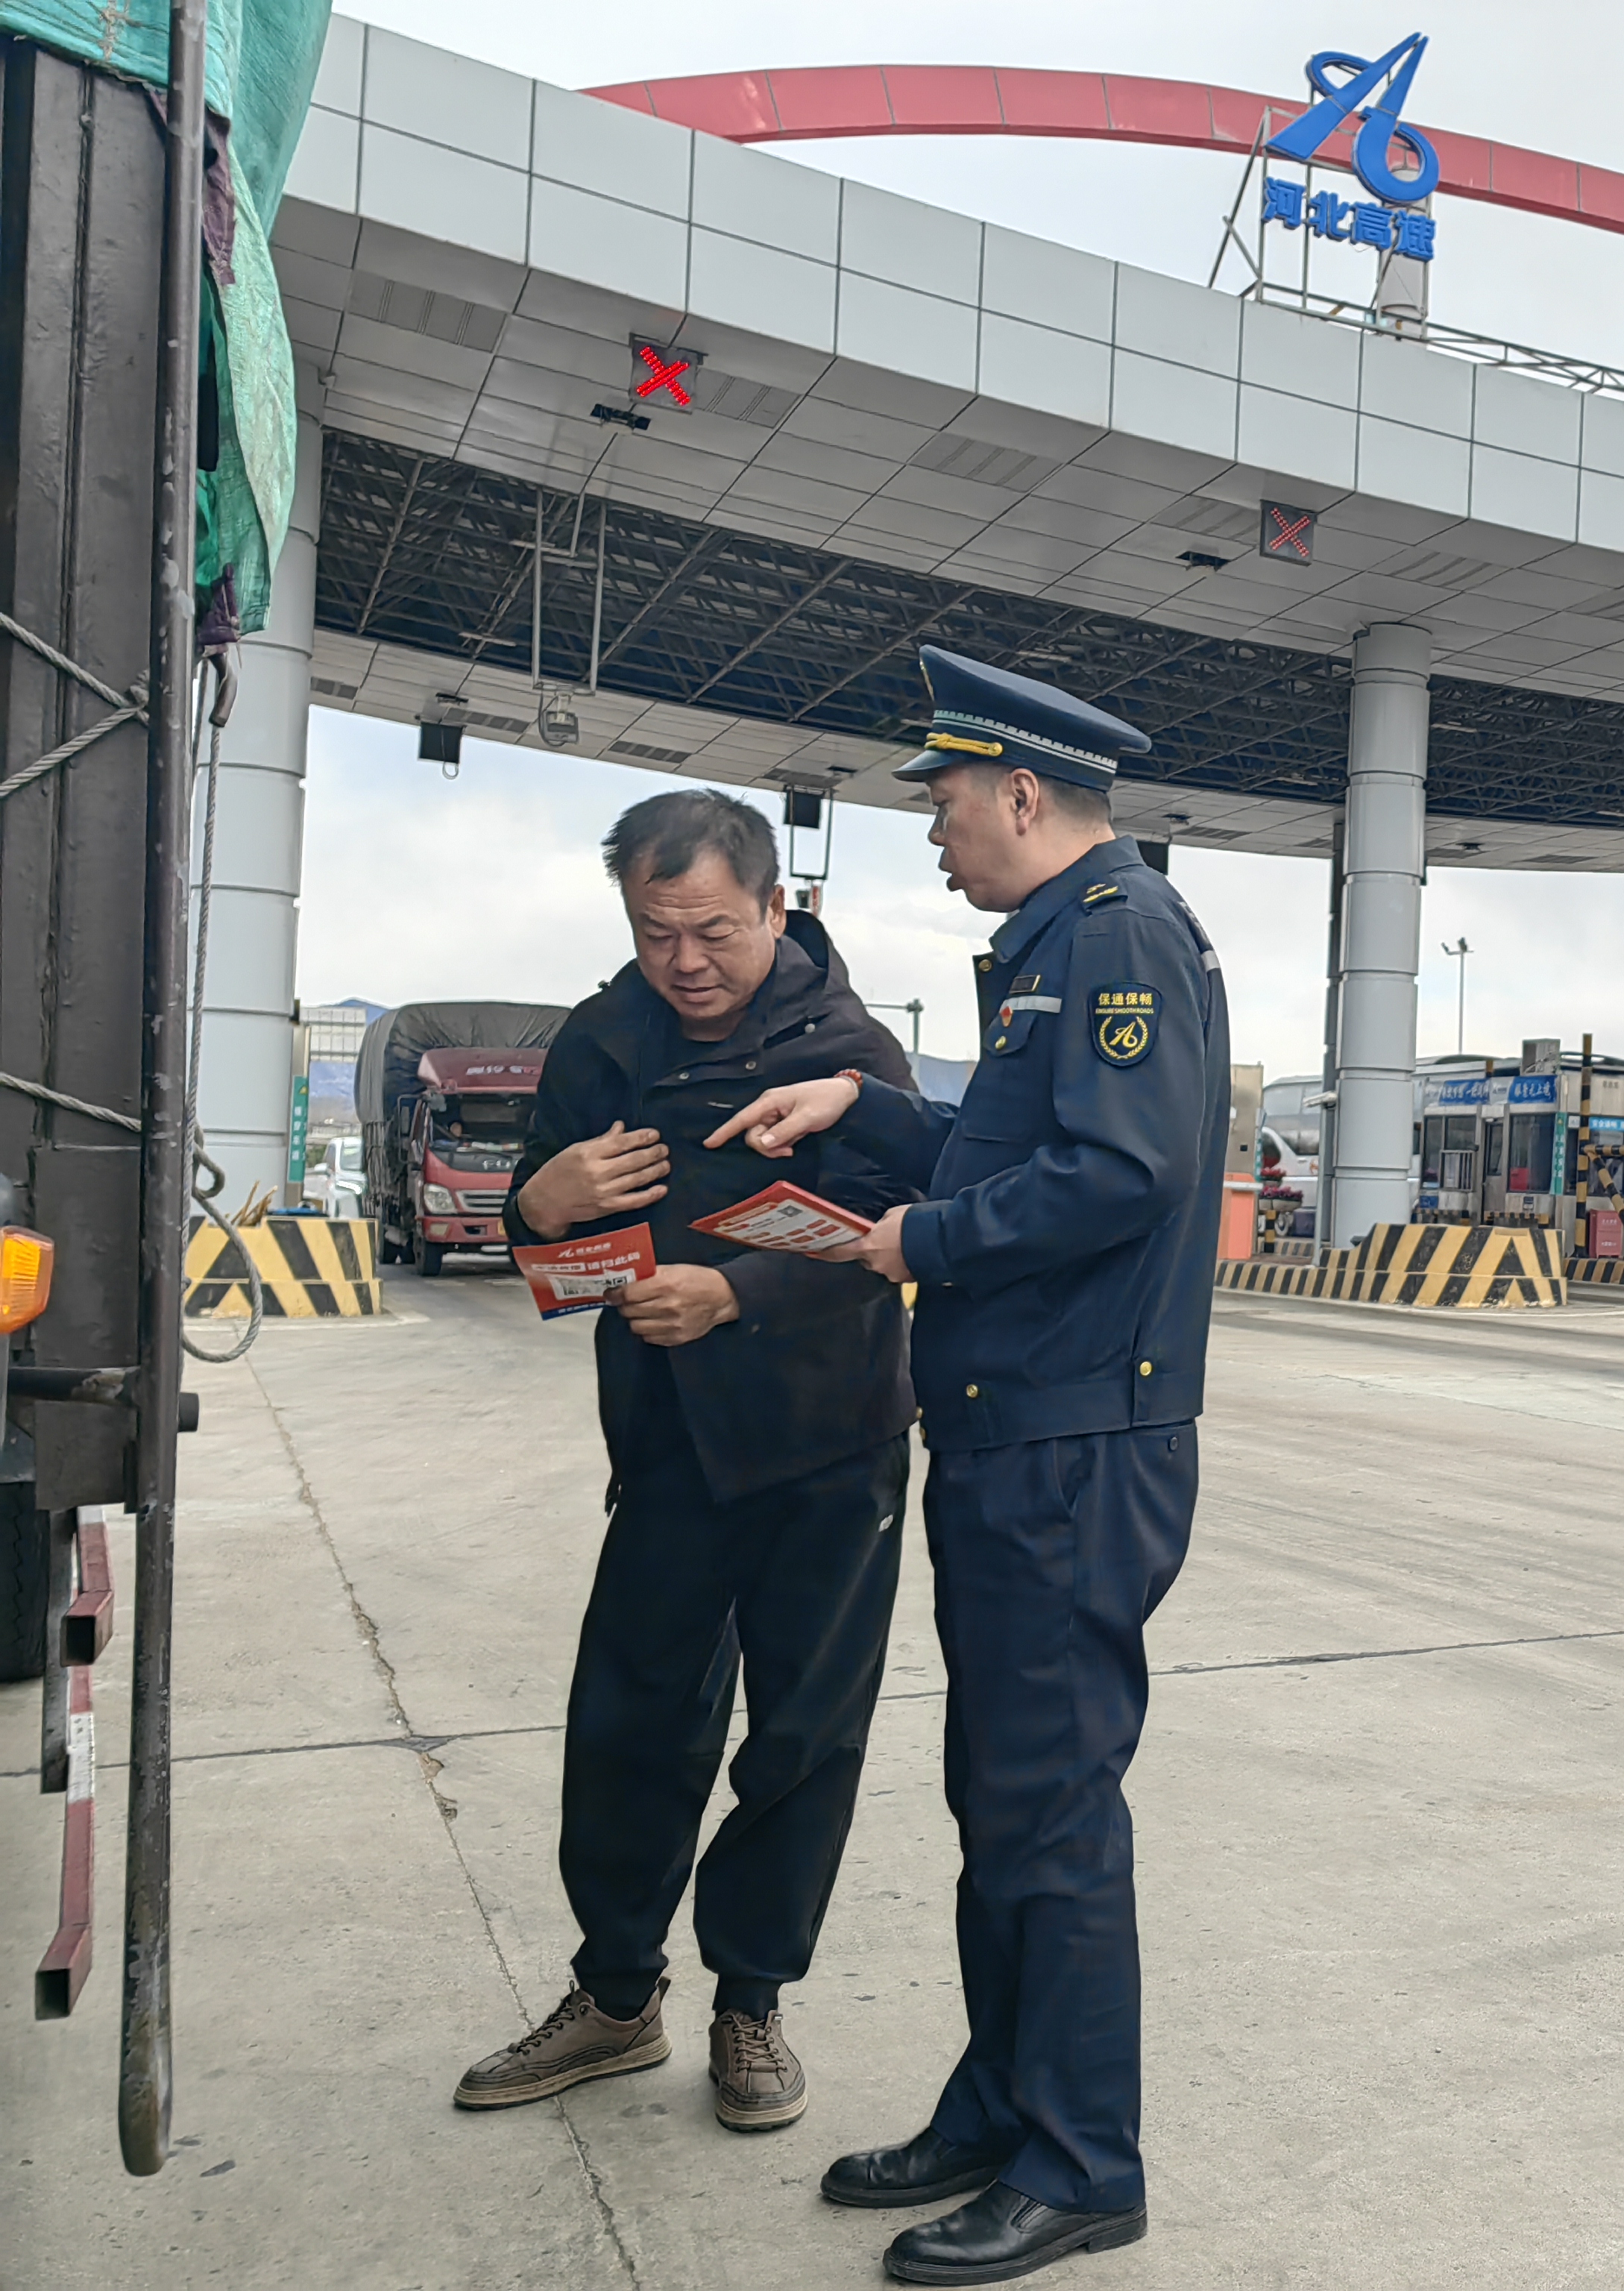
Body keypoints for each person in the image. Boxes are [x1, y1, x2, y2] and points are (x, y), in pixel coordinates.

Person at [710, 644, 1229, 2285]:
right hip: (1021, 1434)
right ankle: (1003, 2110)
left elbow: (1123, 1174)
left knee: (1049, 1811)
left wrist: (919, 1243)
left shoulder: (1121, 932)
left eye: (942, 802)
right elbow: (1005, 1152)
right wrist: (858, 1105)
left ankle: (1082, 2163)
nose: (932, 833)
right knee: (1001, 1800)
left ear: (1019, 791)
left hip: (1075, 1446)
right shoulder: (1058, 944)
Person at [455, 791, 920, 2135]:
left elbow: (904, 1231)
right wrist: (533, 1207)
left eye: (714, 930)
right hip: (666, 1447)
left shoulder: (849, 1053)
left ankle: (752, 2001)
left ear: (778, 905)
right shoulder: (600, 1041)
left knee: (803, 1735)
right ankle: (615, 1998)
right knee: (630, 1724)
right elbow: (551, 1261)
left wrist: (737, 1296)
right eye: (656, 932)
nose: (686, 962)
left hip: (831, 1447)